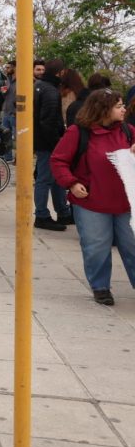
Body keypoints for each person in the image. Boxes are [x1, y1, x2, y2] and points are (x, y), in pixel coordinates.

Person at [51, 89, 135, 306]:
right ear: (103, 109)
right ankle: (101, 287)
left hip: (126, 203)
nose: (124, 109)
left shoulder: (128, 131)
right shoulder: (78, 133)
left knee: (132, 246)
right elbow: (58, 161)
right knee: (97, 247)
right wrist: (72, 183)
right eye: (118, 106)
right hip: (91, 203)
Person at [34, 59, 71, 231]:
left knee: (55, 178)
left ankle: (62, 211)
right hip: (48, 143)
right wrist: (57, 143)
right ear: (59, 72)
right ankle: (42, 215)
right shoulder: (50, 90)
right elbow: (48, 121)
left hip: (43, 140)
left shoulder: (40, 86)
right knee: (45, 179)